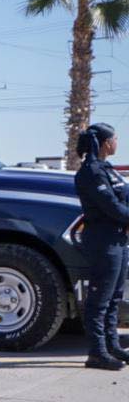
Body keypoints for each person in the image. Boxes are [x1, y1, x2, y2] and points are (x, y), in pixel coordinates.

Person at [72, 123, 129, 371]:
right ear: (106, 143)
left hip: (118, 238)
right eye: (115, 138)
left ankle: (112, 345)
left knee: (115, 296)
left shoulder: (107, 169)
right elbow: (111, 207)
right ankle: (96, 352)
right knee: (100, 299)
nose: (117, 141)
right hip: (103, 240)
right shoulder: (91, 172)